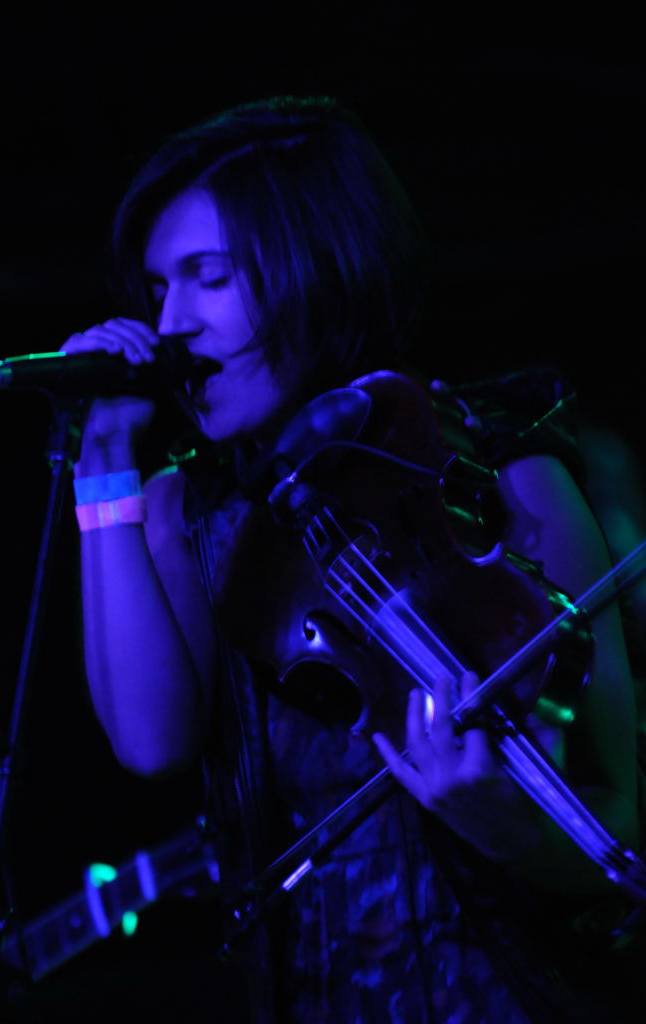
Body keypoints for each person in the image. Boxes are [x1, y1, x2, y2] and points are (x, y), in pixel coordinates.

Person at [60, 96, 640, 1023]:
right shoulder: (181, 511)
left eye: (209, 277)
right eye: (158, 289)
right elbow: (149, 740)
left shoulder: (499, 472)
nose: (172, 324)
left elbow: (622, 823)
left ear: (316, 263)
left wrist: (505, 825)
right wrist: (102, 461)